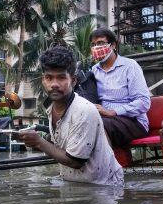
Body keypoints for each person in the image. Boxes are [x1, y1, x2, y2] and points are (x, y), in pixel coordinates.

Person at [17, 46, 123, 185]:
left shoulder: (84, 110)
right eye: (49, 78)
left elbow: (75, 161)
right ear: (43, 80)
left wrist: (39, 142)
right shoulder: (50, 108)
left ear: (73, 81)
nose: (54, 84)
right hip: (76, 184)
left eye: (61, 77)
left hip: (104, 186)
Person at [89, 28, 151, 147]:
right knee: (85, 123)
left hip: (133, 121)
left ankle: (107, 164)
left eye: (101, 43)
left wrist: (113, 112)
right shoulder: (93, 71)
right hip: (104, 119)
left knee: (99, 125)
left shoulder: (130, 66)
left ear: (113, 45)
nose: (96, 47)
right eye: (93, 44)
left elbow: (144, 102)